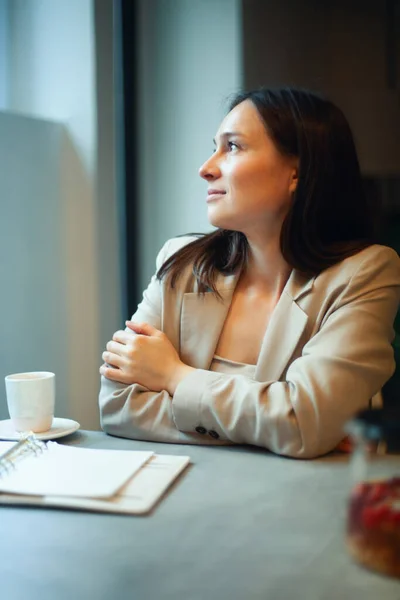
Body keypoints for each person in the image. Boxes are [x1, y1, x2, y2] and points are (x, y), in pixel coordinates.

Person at [98, 87, 400, 458]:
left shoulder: (365, 273)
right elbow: (118, 406)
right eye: (215, 147)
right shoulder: (180, 263)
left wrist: (174, 376)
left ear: (296, 171)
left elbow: (305, 422)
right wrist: (281, 429)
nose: (206, 168)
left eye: (233, 147)